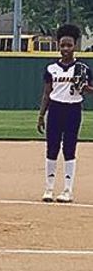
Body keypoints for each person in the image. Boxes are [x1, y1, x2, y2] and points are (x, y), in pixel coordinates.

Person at [37, 24, 93, 203]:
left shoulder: (83, 68)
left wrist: (86, 87)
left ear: (75, 45)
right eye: (62, 45)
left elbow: (90, 89)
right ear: (58, 46)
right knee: (51, 148)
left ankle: (67, 190)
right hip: (55, 109)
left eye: (69, 45)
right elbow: (47, 92)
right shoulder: (51, 68)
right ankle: (49, 188)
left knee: (69, 148)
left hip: (73, 109)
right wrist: (40, 115)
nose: (65, 49)